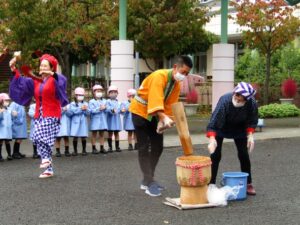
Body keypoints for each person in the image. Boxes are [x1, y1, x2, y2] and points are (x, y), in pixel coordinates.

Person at [129, 55, 193, 197]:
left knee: (158, 146)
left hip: (154, 114)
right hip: (140, 112)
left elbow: (170, 105)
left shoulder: (176, 84)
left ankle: (147, 179)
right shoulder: (159, 76)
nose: (184, 76)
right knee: (144, 147)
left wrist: (165, 121)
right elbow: (155, 98)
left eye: (187, 74)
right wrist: (163, 117)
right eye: (183, 72)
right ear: (175, 67)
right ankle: (149, 181)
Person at [9, 53, 68, 178]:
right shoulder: (36, 81)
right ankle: (48, 168)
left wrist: (55, 75)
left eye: (45, 66)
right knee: (37, 139)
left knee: (38, 135)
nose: (42, 68)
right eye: (41, 65)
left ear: (52, 68)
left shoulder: (55, 79)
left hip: (52, 113)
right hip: (39, 113)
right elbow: (22, 82)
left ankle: (46, 159)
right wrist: (14, 69)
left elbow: (62, 83)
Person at [206, 82, 258, 195]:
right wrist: (212, 139)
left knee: (243, 154)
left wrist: (250, 135)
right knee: (215, 155)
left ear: (247, 99)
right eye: (236, 96)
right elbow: (214, 122)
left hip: (240, 128)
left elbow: (252, 120)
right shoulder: (225, 100)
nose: (238, 100)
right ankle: (211, 184)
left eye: (241, 99)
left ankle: (248, 183)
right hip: (221, 126)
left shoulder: (251, 103)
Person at [69, 87, 89, 156]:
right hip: (75, 121)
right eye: (78, 95)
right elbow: (73, 111)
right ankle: (75, 151)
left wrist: (86, 110)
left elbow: (88, 113)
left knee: (83, 135)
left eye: (81, 95)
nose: (80, 96)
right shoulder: (72, 104)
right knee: (75, 136)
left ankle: (84, 150)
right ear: (75, 95)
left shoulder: (86, 103)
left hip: (83, 121)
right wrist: (81, 108)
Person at [88, 84, 108, 154]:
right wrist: (99, 108)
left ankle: (102, 147)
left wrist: (105, 108)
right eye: (97, 91)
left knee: (102, 134)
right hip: (95, 120)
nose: (99, 92)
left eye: (100, 91)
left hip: (102, 120)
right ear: (94, 92)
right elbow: (90, 111)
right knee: (94, 134)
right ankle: (94, 148)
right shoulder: (91, 101)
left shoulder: (105, 101)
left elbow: (107, 110)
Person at [106, 85, 122, 153]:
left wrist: (121, 110)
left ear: (117, 93)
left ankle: (117, 147)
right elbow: (107, 109)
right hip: (110, 120)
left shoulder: (119, 102)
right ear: (109, 94)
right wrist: (112, 110)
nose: (113, 93)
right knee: (110, 133)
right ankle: (110, 147)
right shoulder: (107, 102)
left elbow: (120, 110)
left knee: (116, 133)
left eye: (115, 92)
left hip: (117, 120)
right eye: (111, 92)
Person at [0, 93, 13, 161]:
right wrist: (0, 113)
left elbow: (11, 117)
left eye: (8, 100)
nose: (7, 102)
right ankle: (0, 156)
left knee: (7, 142)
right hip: (1, 129)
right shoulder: (0, 109)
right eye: (6, 100)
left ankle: (9, 155)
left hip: (8, 129)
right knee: (0, 142)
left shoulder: (9, 109)